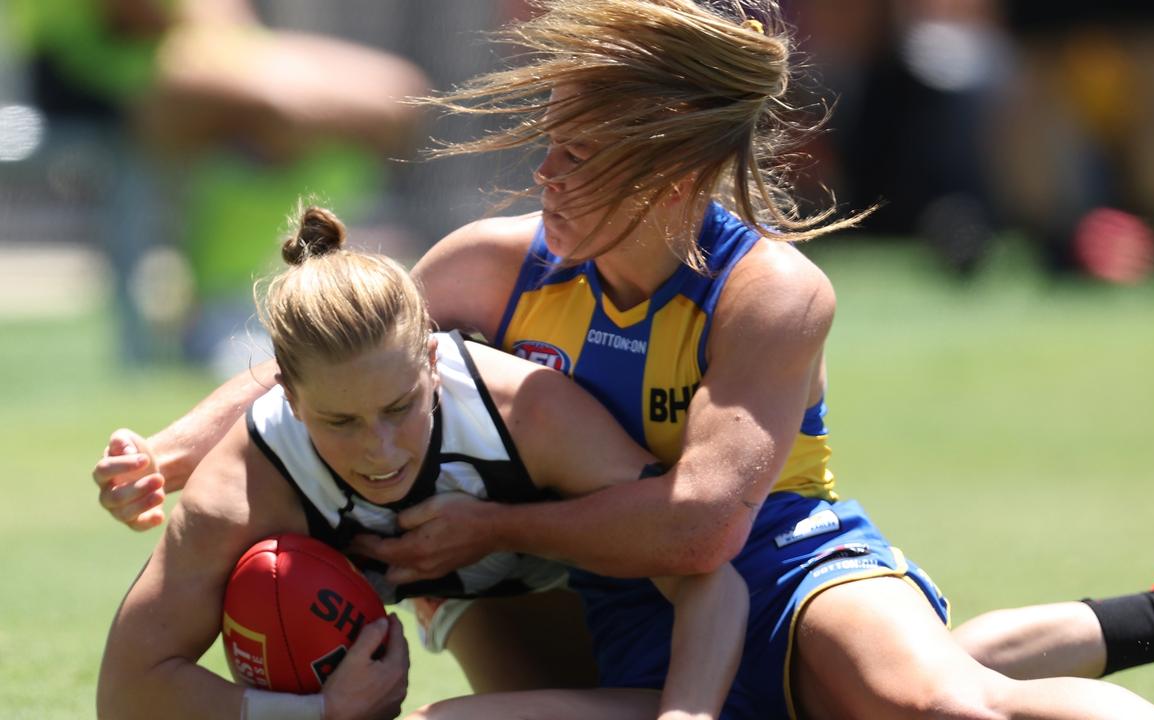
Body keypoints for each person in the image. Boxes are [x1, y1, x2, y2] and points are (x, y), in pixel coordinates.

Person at [92, 1, 1154, 716]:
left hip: (774, 559)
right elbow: (340, 342)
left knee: (930, 703)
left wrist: (495, 528)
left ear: (666, 177)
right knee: (835, 703)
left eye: (576, 159)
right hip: (581, 589)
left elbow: (704, 530)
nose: (543, 177)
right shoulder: (498, 261)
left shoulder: (767, 291)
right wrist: (180, 447)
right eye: (547, 151)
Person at [97, 206, 749, 720]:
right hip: (475, 606)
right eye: (340, 422)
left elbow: (706, 578)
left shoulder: (529, 412)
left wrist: (685, 716)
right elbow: (131, 693)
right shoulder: (247, 481)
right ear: (288, 397)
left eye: (400, 406)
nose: (380, 451)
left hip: (617, 623)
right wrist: (315, 712)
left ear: (433, 361)